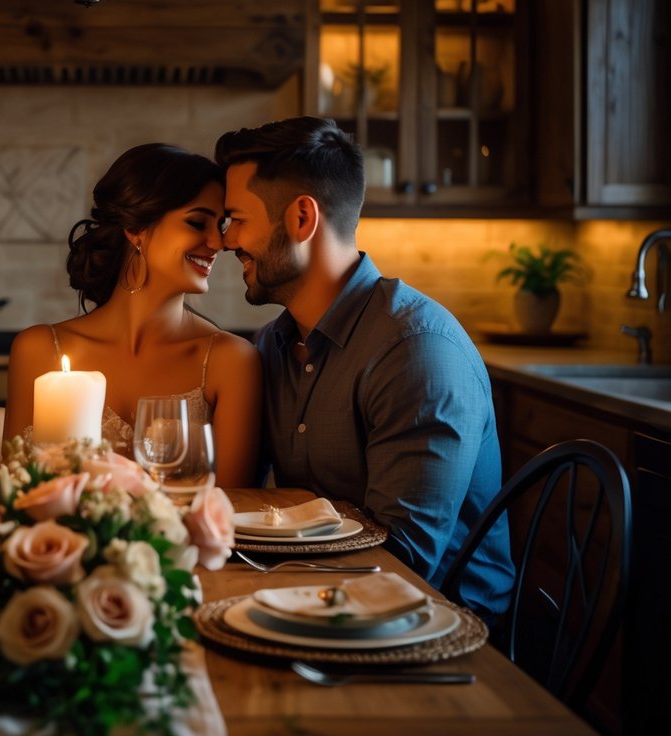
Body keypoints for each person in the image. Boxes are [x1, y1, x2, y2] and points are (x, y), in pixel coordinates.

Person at [215, 116, 515, 621]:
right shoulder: (272, 344)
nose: (226, 242)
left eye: (237, 219)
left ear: (301, 219)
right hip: (327, 605)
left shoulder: (417, 351)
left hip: (445, 633)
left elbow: (402, 563)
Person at [4, 143, 263, 488]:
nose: (219, 242)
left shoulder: (231, 361)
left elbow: (235, 509)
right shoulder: (37, 350)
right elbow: (11, 496)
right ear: (135, 227)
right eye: (198, 222)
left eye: (222, 225)